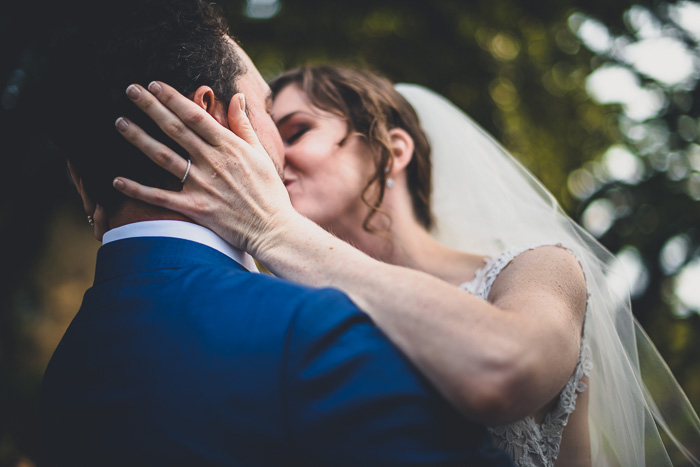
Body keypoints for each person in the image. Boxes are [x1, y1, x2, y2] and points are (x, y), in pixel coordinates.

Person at [113, 65, 700, 466]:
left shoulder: (538, 269)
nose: (273, 155)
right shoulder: (275, 304)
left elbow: (507, 367)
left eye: (297, 130)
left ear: (393, 150)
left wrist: (273, 229)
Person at [38, 3, 515, 466]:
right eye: (268, 110)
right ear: (206, 116)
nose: (283, 152)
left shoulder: (65, 367)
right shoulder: (310, 328)